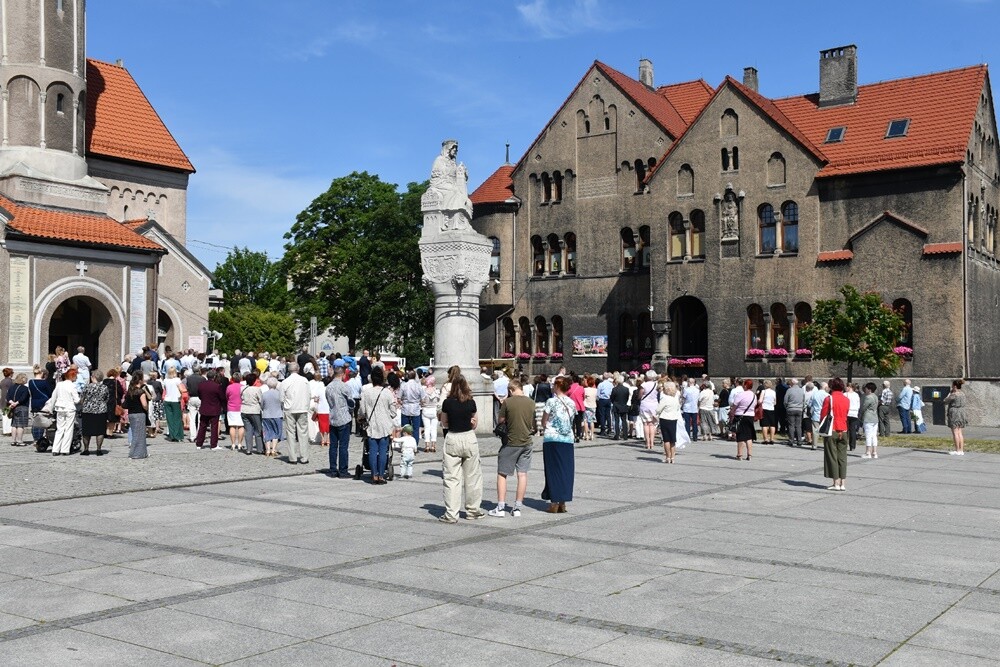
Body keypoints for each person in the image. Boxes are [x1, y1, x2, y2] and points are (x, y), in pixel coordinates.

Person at [438, 374, 484, 521]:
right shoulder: (471, 402)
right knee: (473, 477)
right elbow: (475, 424)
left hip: (453, 437)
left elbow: (444, 423)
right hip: (469, 437)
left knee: (451, 478)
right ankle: (473, 510)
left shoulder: (447, 403)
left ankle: (451, 514)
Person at [489, 377, 535, 517]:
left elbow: (500, 420)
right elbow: (532, 422)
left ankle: (501, 507)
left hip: (510, 442)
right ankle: (517, 508)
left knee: (502, 473)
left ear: (510, 390)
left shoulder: (508, 402)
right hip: (527, 442)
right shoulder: (531, 402)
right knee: (522, 474)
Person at [541, 376, 576, 513]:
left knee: (553, 470)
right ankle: (563, 502)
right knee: (566, 470)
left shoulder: (551, 401)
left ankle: (554, 502)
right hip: (567, 439)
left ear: (557, 386)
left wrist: (546, 425)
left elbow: (544, 420)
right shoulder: (571, 402)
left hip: (552, 438)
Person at [360, 366, 395, 483]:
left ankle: (374, 475)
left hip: (372, 424)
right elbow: (393, 412)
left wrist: (361, 418)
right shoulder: (387, 393)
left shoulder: (366, 393)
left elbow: (362, 411)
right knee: (383, 450)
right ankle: (381, 475)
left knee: (372, 451)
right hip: (385, 425)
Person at [279, 363, 312, 465]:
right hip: (302, 408)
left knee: (290, 433)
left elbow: (281, 398)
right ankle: (304, 457)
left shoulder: (285, 382)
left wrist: (284, 405)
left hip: (290, 408)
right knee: (303, 432)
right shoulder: (304, 380)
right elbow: (309, 394)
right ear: (298, 369)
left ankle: (292, 457)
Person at [820, 378, 850, 490]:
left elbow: (823, 414)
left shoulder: (829, 399)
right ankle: (843, 483)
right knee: (842, 457)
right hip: (844, 429)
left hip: (832, 429)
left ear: (831, 387)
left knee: (832, 456)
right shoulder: (846, 399)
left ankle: (836, 483)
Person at [325, 364, 354, 477]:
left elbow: (329, 401)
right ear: (342, 374)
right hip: (344, 417)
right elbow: (351, 403)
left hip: (333, 417)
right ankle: (343, 470)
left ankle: (333, 470)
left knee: (333, 446)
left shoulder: (328, 387)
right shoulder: (344, 387)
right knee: (343, 446)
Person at [51, 367, 80, 456]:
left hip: (60, 408)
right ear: (72, 376)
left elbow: (53, 397)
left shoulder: (59, 384)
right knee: (68, 429)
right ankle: (65, 449)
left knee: (60, 429)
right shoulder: (72, 386)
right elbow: (77, 400)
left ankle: (55, 449)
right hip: (70, 409)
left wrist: (51, 408)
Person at [79, 371, 109, 455]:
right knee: (100, 431)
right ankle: (98, 449)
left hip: (87, 410)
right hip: (101, 411)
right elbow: (107, 398)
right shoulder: (104, 387)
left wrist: (84, 404)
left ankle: (86, 449)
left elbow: (81, 398)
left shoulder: (87, 387)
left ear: (93, 377)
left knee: (86, 431)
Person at [194, 370, 225, 450]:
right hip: (214, 408)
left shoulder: (201, 385)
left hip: (204, 407)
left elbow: (200, 395)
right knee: (214, 427)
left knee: (202, 426)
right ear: (214, 377)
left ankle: (199, 443)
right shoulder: (217, 386)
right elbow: (222, 397)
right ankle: (213, 445)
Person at [124, 372, 150, 460]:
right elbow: (144, 404)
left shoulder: (130, 391)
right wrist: (146, 408)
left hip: (131, 414)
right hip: (139, 414)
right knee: (140, 435)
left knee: (135, 433)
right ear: (140, 380)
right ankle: (137, 453)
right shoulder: (140, 392)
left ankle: (142, 453)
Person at [730, 379, 757, 461]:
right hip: (750, 416)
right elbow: (755, 405)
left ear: (745, 385)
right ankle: (749, 454)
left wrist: (731, 413)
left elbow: (734, 405)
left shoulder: (740, 394)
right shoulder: (754, 395)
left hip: (740, 416)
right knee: (749, 436)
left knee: (740, 435)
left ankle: (739, 454)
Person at [656, 380, 681, 463]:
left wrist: (656, 412)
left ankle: (668, 457)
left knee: (666, 439)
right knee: (673, 439)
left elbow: (658, 409)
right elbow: (678, 408)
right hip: (674, 419)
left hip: (665, 418)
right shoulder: (675, 398)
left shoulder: (665, 398)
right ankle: (673, 457)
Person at [28, 366, 53, 446]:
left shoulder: (31, 382)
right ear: (42, 373)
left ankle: (36, 439)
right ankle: (42, 438)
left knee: (36, 421)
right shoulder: (44, 382)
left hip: (34, 402)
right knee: (43, 421)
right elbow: (50, 393)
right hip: (44, 402)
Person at [241, 374, 264, 455]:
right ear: (254, 381)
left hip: (244, 410)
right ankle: (260, 449)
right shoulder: (257, 389)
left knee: (248, 430)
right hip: (254, 410)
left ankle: (249, 449)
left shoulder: (242, 388)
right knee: (258, 430)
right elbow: (261, 400)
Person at [398, 370, 424, 443]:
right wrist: (419, 403)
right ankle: (414, 444)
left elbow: (399, 398)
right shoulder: (418, 386)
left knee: (405, 427)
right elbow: (423, 398)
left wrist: (402, 403)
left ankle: (404, 442)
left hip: (405, 407)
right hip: (415, 407)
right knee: (416, 429)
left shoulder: (404, 385)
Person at [161, 367, 185, 442]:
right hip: (175, 400)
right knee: (177, 419)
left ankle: (172, 435)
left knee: (170, 419)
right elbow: (182, 389)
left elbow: (165, 389)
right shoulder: (177, 380)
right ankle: (177, 435)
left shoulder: (165, 380)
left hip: (167, 400)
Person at [261, 377, 283, 457]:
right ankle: (273, 449)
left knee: (267, 432)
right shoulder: (279, 394)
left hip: (266, 415)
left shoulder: (264, 394)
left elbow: (261, 405)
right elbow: (282, 404)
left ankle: (267, 450)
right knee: (276, 432)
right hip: (277, 414)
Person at [6, 373, 30, 446]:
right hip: (22, 407)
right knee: (20, 425)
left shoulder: (11, 387)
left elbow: (7, 397)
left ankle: (13, 441)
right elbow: (23, 398)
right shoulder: (25, 388)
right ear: (23, 379)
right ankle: (19, 441)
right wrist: (16, 403)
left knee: (14, 425)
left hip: (13, 407)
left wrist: (12, 403)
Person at [944, 379, 968, 455]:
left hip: (954, 413)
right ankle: (961, 450)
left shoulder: (953, 395)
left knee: (955, 432)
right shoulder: (963, 394)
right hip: (962, 412)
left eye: (952, 385)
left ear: (954, 386)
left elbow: (945, 401)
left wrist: (949, 393)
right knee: (960, 432)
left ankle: (957, 450)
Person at [638, 370, 659, 450]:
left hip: (645, 404)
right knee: (652, 424)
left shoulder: (644, 385)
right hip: (654, 405)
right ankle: (652, 443)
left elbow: (640, 395)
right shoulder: (656, 384)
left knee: (645, 424)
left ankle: (647, 443)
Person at [225, 372, 245, 451]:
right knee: (241, 426)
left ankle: (233, 444)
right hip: (241, 408)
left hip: (231, 408)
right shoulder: (243, 387)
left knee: (232, 426)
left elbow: (227, 396)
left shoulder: (229, 387)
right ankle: (240, 444)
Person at [420, 375, 440, 452]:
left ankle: (427, 446)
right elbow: (438, 400)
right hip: (434, 410)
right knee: (434, 429)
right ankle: (433, 446)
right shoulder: (436, 391)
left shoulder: (424, 391)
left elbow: (421, 401)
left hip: (425, 410)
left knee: (427, 428)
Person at [783, 378, 805, 447]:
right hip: (799, 409)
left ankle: (791, 440)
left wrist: (787, 407)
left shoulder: (789, 390)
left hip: (791, 408)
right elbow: (804, 400)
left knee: (791, 425)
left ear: (792, 383)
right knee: (798, 425)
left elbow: (785, 401)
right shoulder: (801, 390)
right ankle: (799, 440)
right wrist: (802, 407)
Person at [861, 382, 879, 459]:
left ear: (869, 389)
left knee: (868, 435)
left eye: (866, 388)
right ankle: (874, 452)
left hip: (868, 417)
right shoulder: (875, 396)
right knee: (874, 435)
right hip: (875, 417)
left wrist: (861, 413)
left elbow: (864, 407)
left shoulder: (868, 397)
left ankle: (868, 452)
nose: (865, 390)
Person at [610, 374, 631, 439]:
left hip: (616, 405)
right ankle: (625, 435)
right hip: (624, 405)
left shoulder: (614, 389)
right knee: (624, 420)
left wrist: (614, 402)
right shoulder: (626, 389)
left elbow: (612, 398)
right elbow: (627, 397)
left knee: (616, 421)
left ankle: (617, 435)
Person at [758, 379, 777, 444]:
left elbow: (760, 400)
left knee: (764, 425)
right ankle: (772, 439)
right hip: (771, 409)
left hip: (764, 408)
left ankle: (765, 439)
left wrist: (758, 402)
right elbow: (775, 402)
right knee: (772, 425)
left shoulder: (763, 391)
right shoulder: (773, 392)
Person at [582, 376, 598, 441]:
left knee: (585, 421)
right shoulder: (596, 390)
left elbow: (583, 397)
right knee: (592, 421)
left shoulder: (585, 389)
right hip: (593, 406)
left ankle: (586, 435)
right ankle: (592, 435)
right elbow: (597, 398)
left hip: (586, 406)